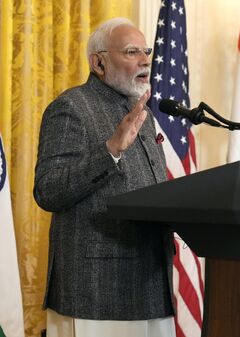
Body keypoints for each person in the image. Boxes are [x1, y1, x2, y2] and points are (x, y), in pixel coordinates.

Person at [34, 18, 175, 337]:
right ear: (98, 62)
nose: (145, 60)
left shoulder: (143, 114)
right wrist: (111, 148)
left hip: (152, 285)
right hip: (97, 291)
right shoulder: (70, 107)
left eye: (146, 51)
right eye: (131, 52)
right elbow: (48, 191)